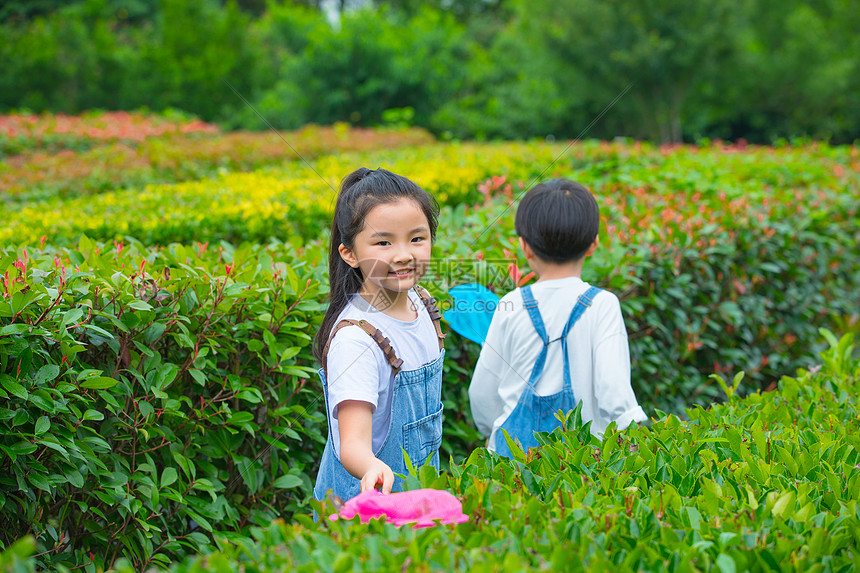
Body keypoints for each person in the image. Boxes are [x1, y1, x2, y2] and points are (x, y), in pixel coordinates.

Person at [468, 179, 646, 456]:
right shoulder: (602, 305)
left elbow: (482, 394)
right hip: (581, 465)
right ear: (593, 244)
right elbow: (614, 392)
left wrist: (491, 430)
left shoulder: (512, 303)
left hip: (510, 461)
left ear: (525, 247)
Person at [312, 167, 446, 503]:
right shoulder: (356, 340)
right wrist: (371, 466)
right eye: (383, 242)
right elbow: (352, 441)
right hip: (363, 501)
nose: (403, 254)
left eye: (417, 238)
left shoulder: (422, 303)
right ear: (350, 254)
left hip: (418, 491)